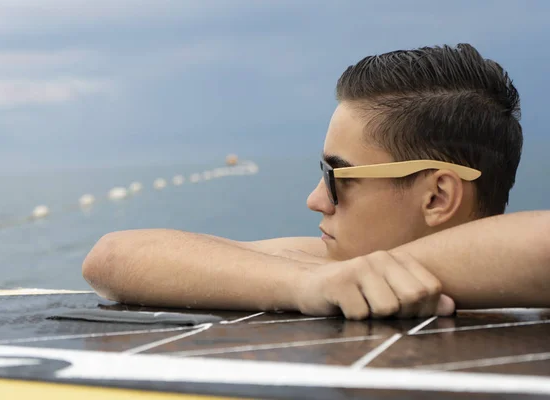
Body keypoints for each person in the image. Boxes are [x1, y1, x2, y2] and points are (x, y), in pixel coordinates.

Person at [82, 43, 550, 320]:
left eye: (337, 175)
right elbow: (112, 257)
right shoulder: (336, 265)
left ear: (437, 196)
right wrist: (306, 286)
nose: (315, 200)